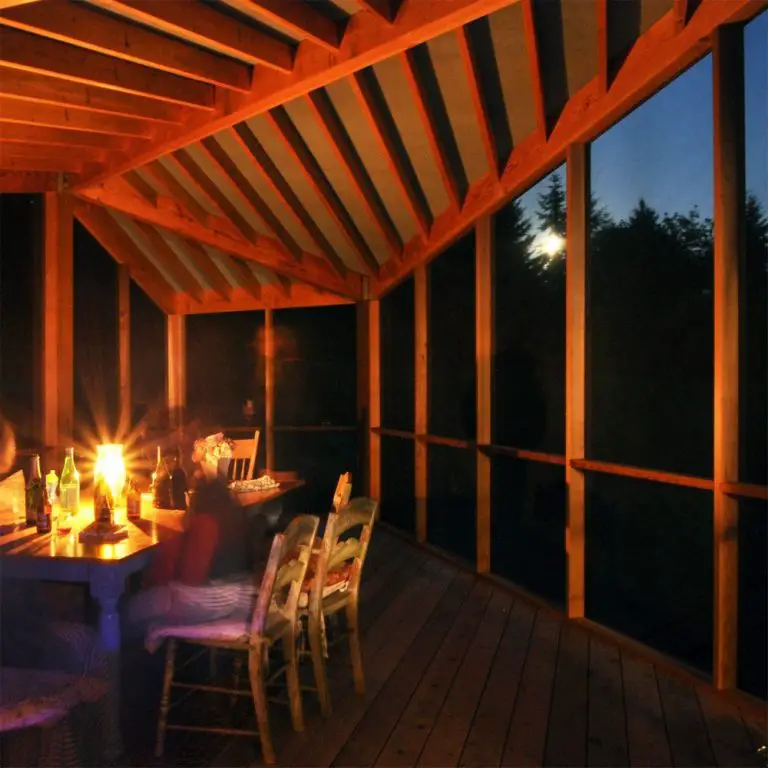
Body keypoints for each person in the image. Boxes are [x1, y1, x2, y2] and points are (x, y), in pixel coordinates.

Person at [125, 436, 267, 635]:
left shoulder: (206, 524)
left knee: (130, 609)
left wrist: (163, 564)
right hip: (238, 594)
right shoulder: (234, 513)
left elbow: (190, 577)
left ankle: (118, 659)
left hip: (209, 600)